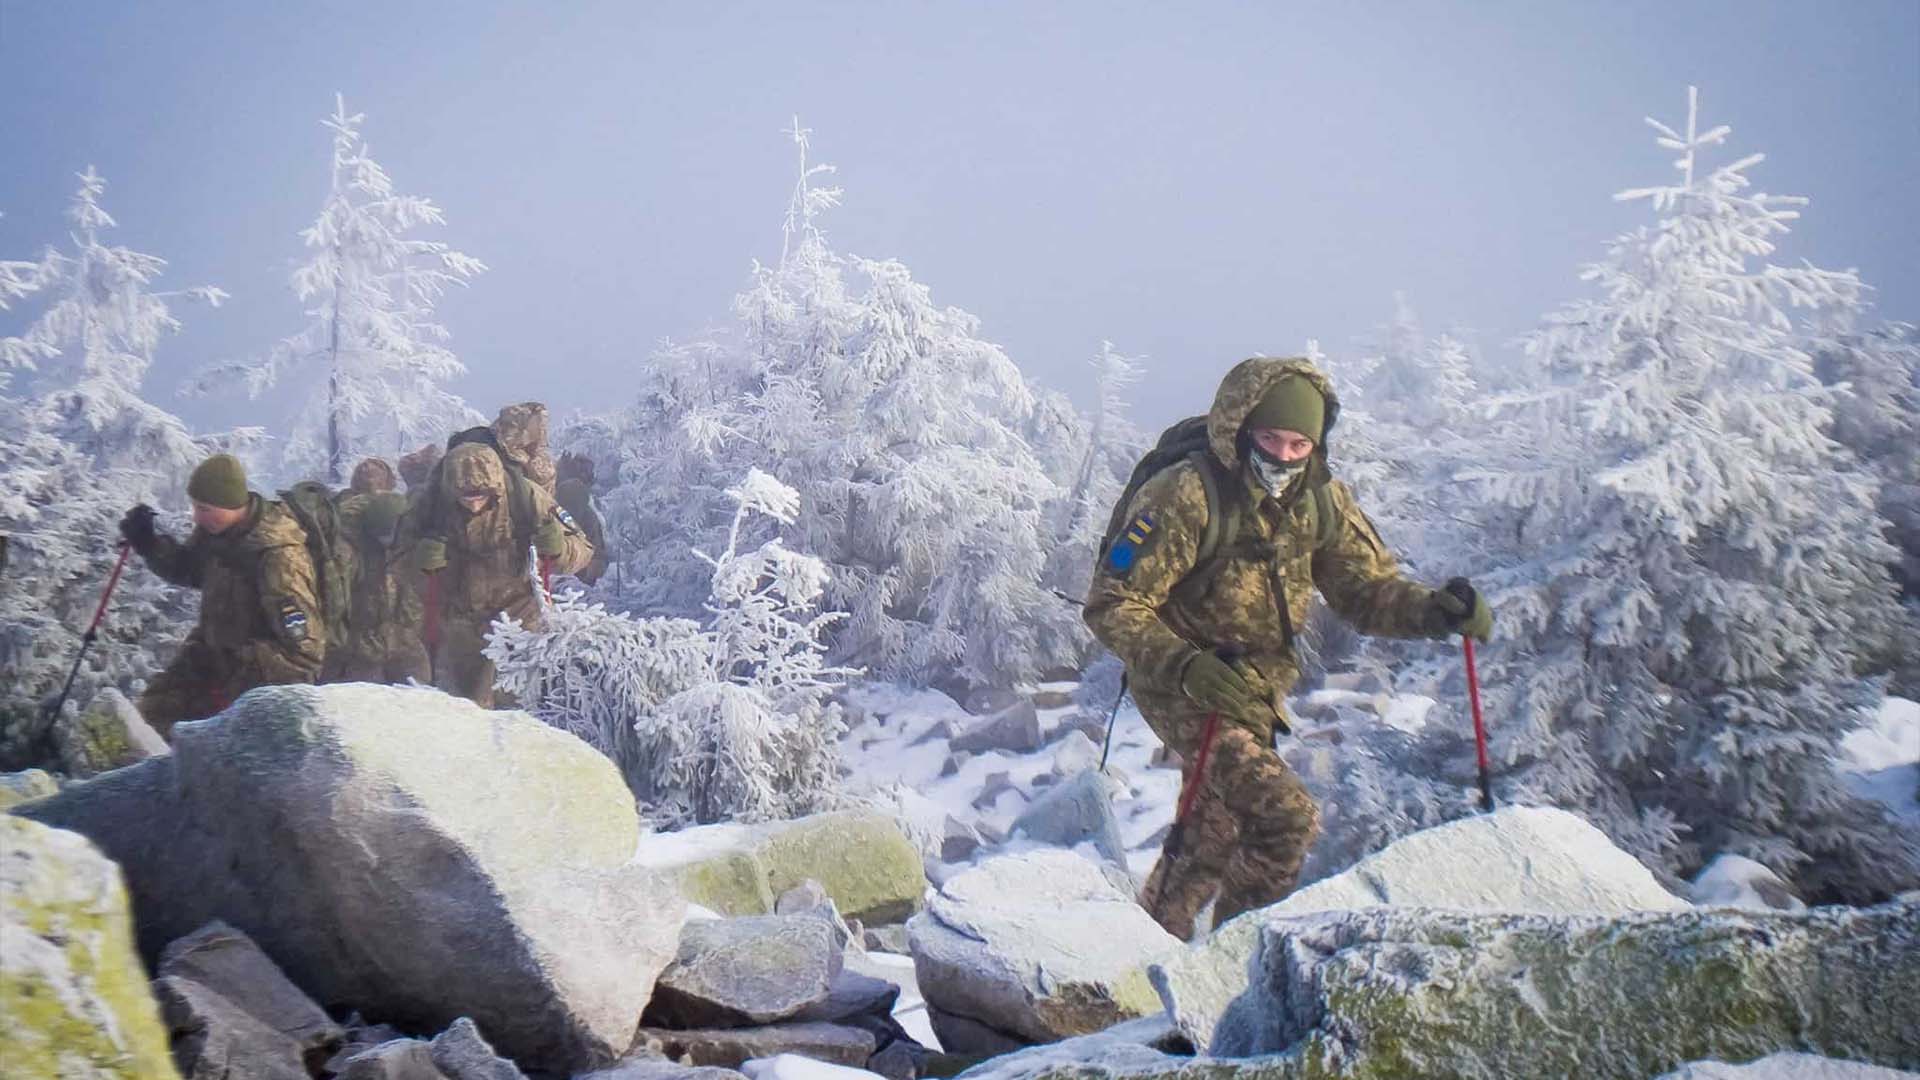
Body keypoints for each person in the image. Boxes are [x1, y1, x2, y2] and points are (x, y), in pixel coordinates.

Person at [1083, 356, 1493, 939]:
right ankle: (1237, 977)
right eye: (1270, 438)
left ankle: (1139, 964)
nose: (1282, 456)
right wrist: (1185, 666)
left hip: (1256, 691)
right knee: (1285, 820)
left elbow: (1362, 591)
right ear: (1240, 429)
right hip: (1183, 683)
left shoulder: (1320, 500)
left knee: (1211, 837)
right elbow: (1112, 602)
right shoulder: (1187, 493)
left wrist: (1434, 611)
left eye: (1299, 444)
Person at [118, 454, 326, 739]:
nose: (196, 516)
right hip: (206, 659)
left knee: (192, 752)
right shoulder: (217, 533)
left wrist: (235, 671)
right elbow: (190, 569)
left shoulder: (279, 558)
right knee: (144, 726)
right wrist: (149, 544)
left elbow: (303, 656)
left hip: (249, 687)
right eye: (195, 507)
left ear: (232, 505)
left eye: (204, 508)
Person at [413, 438, 593, 706]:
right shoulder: (430, 504)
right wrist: (418, 559)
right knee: (455, 716)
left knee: (514, 715)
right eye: (466, 496)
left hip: (519, 619)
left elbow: (584, 550)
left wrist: (558, 549)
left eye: (481, 495)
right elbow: (392, 561)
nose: (474, 504)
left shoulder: (527, 497)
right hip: (456, 627)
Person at [324, 492, 430, 685]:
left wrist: (406, 629)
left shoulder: (409, 536)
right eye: (383, 537)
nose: (387, 542)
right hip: (356, 644)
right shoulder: (343, 549)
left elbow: (412, 590)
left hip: (400, 637)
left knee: (419, 686)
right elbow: (335, 608)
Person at [554, 452, 609, 586]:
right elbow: (569, 529)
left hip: (573, 568)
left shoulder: (564, 488)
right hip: (572, 573)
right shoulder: (573, 489)